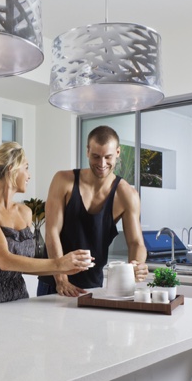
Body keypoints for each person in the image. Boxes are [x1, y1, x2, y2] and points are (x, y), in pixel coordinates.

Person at [0, 142, 92, 308]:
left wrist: (64, 270)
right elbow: (4, 261)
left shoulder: (25, 212)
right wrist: (58, 264)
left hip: (18, 298)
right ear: (12, 169)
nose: (29, 175)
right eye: (26, 167)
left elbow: (22, 265)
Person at [38, 126, 149, 297]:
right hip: (53, 284)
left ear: (118, 152)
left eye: (108, 157)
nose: (102, 164)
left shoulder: (127, 195)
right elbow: (52, 232)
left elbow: (136, 243)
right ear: (88, 151)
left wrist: (136, 266)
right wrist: (61, 280)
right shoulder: (63, 181)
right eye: (96, 156)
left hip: (93, 287)